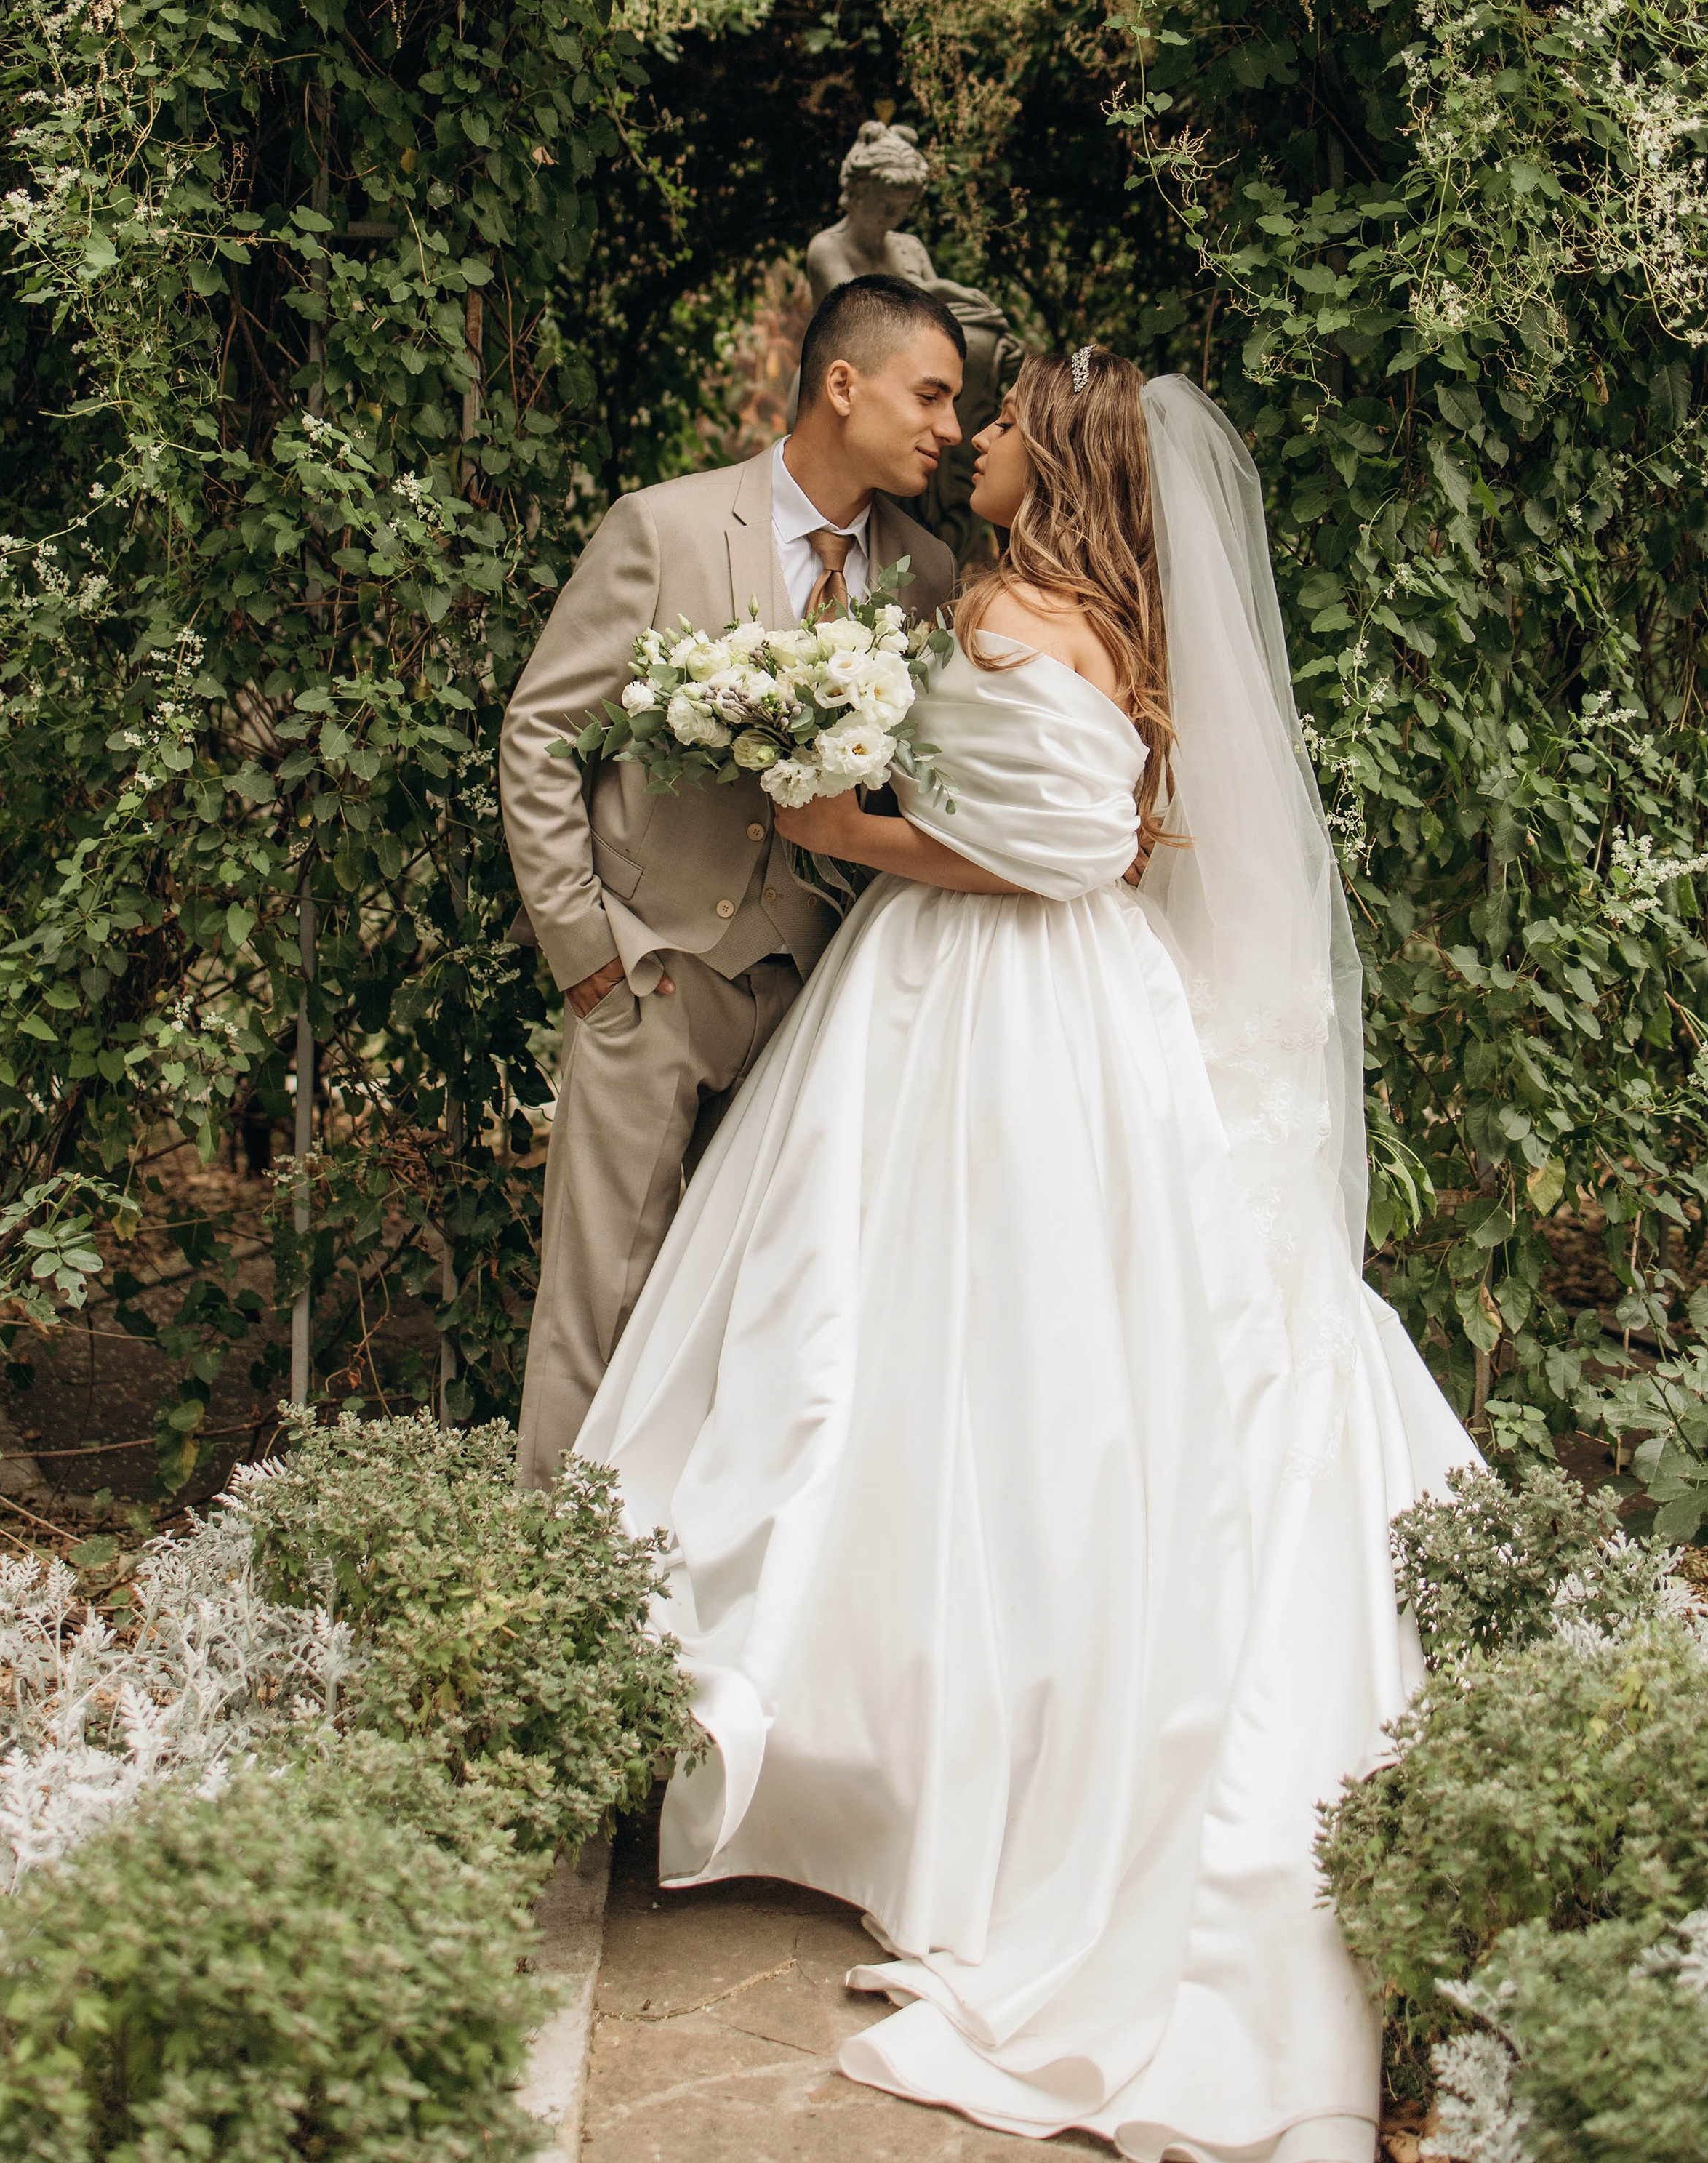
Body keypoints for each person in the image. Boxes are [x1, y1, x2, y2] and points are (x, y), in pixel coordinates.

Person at [576, 345, 1480, 2159]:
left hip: (994, 1009)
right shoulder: (1083, 612)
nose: (970, 438)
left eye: (997, 427)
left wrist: (854, 829)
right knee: (978, 1360)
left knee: (930, 1352)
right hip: (1045, 1012)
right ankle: (930, 1759)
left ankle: (915, 1774)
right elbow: (1096, 827)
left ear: (1048, 462)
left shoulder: (1004, 611)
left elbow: (1065, 847)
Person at [499, 276, 958, 1485]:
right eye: (932, 395)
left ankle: (702, 1580)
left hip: (820, 993)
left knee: (774, 1305)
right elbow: (545, 734)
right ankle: (552, 1579)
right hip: (653, 971)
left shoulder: (928, 573)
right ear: (842, 384)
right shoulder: (665, 528)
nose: (949, 430)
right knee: (596, 1300)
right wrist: (588, 948)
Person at [803, 119, 1025, 560]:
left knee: (986, 336)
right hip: (849, 366)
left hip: (893, 363)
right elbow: (859, 321)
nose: (893, 218)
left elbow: (933, 298)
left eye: (901, 208)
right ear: (858, 193)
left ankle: (937, 503)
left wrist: (972, 302)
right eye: (885, 207)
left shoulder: (907, 248)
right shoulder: (828, 249)